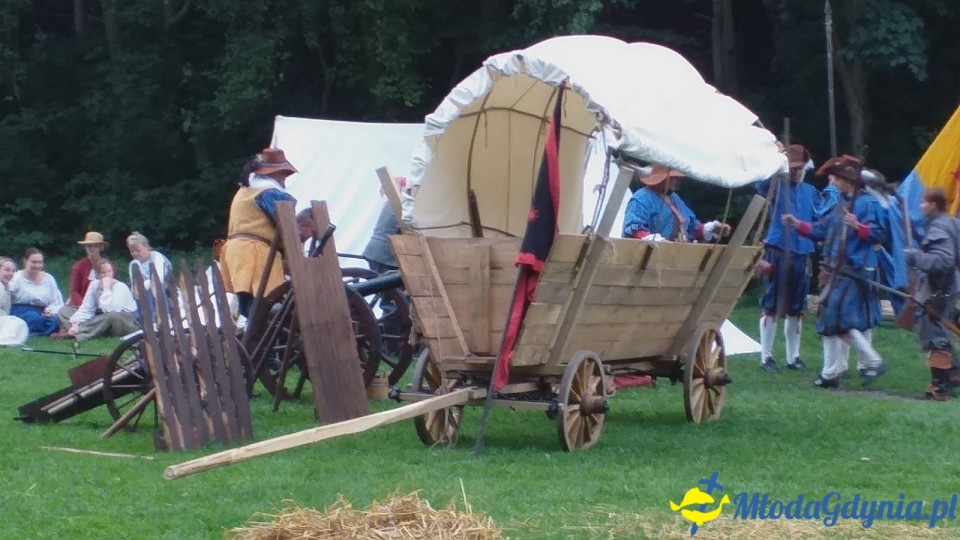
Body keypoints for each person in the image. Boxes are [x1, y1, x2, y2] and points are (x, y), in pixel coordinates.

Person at [783, 154, 889, 389]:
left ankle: (871, 361)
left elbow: (879, 234)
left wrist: (858, 226)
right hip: (838, 270)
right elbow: (823, 230)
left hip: (855, 270)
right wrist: (797, 224)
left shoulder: (867, 204)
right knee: (830, 321)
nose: (831, 180)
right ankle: (831, 374)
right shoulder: (842, 205)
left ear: (845, 179)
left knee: (839, 320)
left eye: (834, 177)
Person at [754, 144, 820, 373]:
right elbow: (760, 185)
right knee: (771, 304)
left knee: (796, 306)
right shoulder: (775, 185)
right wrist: (776, 162)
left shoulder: (810, 192)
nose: (796, 172)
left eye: (799, 168)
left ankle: (793, 358)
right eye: (792, 168)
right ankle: (766, 357)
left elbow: (820, 218)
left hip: (802, 253)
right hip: (778, 250)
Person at [220, 148, 298, 318]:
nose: (284, 178)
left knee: (250, 308)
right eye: (283, 174)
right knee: (266, 306)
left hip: (238, 252)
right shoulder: (268, 192)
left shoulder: (245, 190)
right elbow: (287, 225)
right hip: (255, 252)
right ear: (274, 173)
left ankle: (251, 330)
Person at [904, 187, 960, 400]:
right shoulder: (950, 222)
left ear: (934, 204)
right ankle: (954, 374)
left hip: (941, 289)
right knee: (937, 332)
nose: (921, 206)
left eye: (924, 202)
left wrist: (914, 257)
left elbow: (943, 261)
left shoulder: (939, 227)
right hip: (947, 287)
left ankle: (940, 388)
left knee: (935, 335)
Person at [622, 165, 731, 242]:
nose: (677, 180)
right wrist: (655, 241)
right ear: (662, 179)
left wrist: (712, 228)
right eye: (674, 178)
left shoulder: (675, 198)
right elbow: (633, 230)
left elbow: (692, 227)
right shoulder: (641, 198)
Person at [67, 258, 139, 341]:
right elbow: (87, 308)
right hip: (106, 318)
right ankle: (77, 329)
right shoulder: (94, 285)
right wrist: (76, 323)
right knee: (67, 312)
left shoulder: (120, 286)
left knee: (111, 316)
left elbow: (111, 309)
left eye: (109, 271)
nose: (107, 275)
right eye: (103, 272)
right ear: (97, 274)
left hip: (126, 320)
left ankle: (81, 333)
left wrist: (106, 288)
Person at [57, 231, 112, 333]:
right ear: (85, 247)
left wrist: (102, 304)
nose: (92, 249)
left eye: (95, 246)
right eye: (89, 246)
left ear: (101, 247)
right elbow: (74, 291)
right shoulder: (78, 267)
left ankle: (80, 328)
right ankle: (89, 328)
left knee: (111, 316)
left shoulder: (108, 266)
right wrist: (85, 306)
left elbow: (113, 287)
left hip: (102, 306)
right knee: (63, 312)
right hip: (82, 306)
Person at [8, 248, 64, 336]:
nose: (37, 265)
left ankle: (35, 330)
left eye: (40, 262)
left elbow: (56, 301)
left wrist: (50, 311)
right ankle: (40, 330)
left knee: (56, 321)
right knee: (33, 318)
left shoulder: (49, 278)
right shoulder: (17, 277)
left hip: (43, 310)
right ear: (25, 261)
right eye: (33, 262)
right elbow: (7, 296)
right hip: (21, 310)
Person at [126, 231, 173, 300]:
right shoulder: (133, 264)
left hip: (166, 294)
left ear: (146, 247)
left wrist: (142, 285)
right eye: (132, 251)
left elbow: (159, 279)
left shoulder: (157, 257)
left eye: (138, 250)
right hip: (144, 298)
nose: (135, 253)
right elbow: (134, 286)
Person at [0, 257, 28, 346]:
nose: (10, 274)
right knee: (16, 322)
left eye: (13, 271)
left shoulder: (7, 288)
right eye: (7, 270)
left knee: (19, 323)